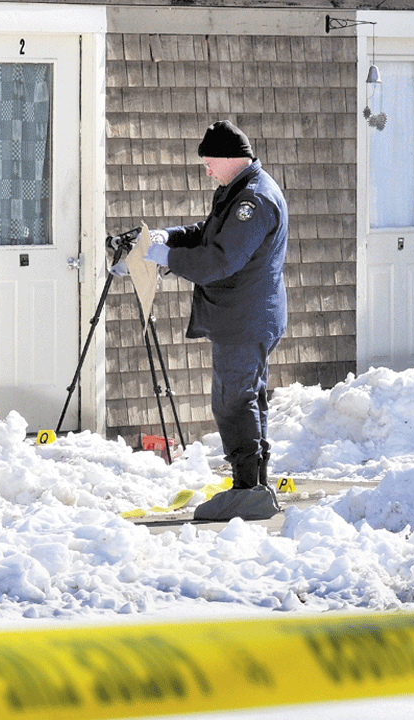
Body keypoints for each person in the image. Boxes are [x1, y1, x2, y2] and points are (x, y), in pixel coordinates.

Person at [143, 120, 289, 520]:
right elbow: (208, 235)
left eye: (209, 162)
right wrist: (167, 238)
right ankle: (253, 485)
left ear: (229, 158)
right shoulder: (238, 189)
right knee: (246, 397)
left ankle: (247, 490)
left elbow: (220, 259)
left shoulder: (253, 202)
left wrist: (167, 259)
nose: (206, 169)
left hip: (245, 318)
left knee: (232, 401)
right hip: (245, 315)